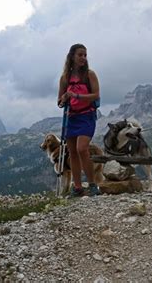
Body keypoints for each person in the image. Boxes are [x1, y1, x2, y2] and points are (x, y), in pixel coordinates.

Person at [57, 43, 101, 196]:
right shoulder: (65, 78)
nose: (83, 58)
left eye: (85, 55)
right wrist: (64, 98)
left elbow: (96, 95)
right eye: (80, 55)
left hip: (87, 115)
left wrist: (75, 96)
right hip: (71, 117)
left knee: (82, 148)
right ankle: (77, 187)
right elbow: (59, 102)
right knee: (72, 152)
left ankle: (92, 184)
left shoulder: (90, 74)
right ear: (72, 57)